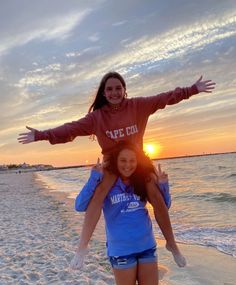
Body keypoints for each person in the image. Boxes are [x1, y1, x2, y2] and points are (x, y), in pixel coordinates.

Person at [17, 72, 215, 267]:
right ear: (104, 93)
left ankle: (172, 244)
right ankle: (82, 247)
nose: (114, 92)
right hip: (112, 163)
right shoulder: (97, 118)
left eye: (118, 88)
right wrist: (41, 135)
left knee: (154, 192)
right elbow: (71, 129)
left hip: (138, 160)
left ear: (124, 90)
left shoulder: (138, 106)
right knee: (99, 193)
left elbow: (164, 98)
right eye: (109, 89)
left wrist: (192, 90)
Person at [71, 142, 172, 285]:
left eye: (132, 160)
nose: (128, 165)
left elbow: (164, 207)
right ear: (116, 161)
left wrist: (163, 186)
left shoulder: (141, 180)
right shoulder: (107, 182)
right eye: (123, 160)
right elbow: (80, 205)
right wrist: (94, 177)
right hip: (121, 250)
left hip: (147, 246)